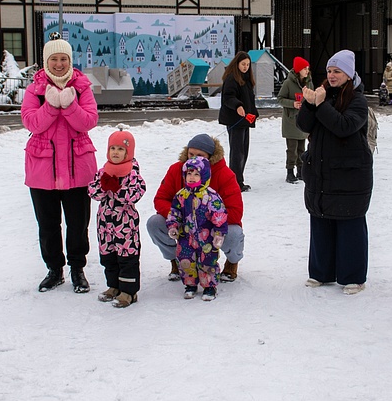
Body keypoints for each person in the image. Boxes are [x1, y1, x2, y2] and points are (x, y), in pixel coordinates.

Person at [21, 36, 100, 293]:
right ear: (46, 61)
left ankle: (77, 269)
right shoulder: (35, 90)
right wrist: (52, 105)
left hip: (78, 169)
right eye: (53, 59)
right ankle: (54, 269)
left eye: (63, 59)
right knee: (48, 224)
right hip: (44, 170)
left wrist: (69, 104)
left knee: (78, 224)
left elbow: (87, 121)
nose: (58, 64)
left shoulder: (82, 87)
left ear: (70, 61)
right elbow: (32, 122)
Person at [297, 49, 374, 294]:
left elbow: (344, 126)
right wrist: (309, 106)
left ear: (349, 74)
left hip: (349, 174)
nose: (331, 75)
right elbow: (302, 126)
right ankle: (321, 272)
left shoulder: (358, 100)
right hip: (321, 171)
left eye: (337, 71)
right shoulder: (323, 96)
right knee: (321, 221)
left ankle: (353, 276)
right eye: (329, 71)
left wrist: (319, 106)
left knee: (349, 224)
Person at [148, 133, 245, 281]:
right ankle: (176, 261)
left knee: (234, 233)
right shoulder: (176, 170)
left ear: (210, 157)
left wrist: (205, 220)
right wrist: (178, 216)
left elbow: (235, 212)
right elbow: (161, 198)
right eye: (191, 154)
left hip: (212, 227)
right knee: (154, 223)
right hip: (183, 225)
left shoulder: (225, 175)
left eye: (199, 155)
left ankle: (232, 262)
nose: (193, 158)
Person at [88, 128, 145, 308]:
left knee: (127, 256)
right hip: (105, 223)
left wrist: (118, 190)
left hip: (125, 223)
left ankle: (128, 291)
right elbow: (93, 191)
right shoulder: (104, 170)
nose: (116, 153)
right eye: (112, 148)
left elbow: (137, 193)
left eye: (120, 149)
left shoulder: (132, 172)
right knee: (108, 255)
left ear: (129, 152)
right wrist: (103, 186)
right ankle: (113, 285)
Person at [167, 156, 229, 301]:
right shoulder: (181, 195)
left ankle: (209, 286)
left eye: (196, 174)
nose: (192, 177)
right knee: (185, 260)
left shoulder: (211, 196)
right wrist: (173, 226)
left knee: (207, 261)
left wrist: (219, 234)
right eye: (189, 173)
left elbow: (219, 216)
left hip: (207, 238)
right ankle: (190, 285)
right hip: (186, 237)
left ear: (204, 175)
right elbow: (174, 213)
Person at [219, 50, 258, 191]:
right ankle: (235, 182)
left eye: (247, 64)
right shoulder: (231, 78)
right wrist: (238, 106)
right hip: (235, 120)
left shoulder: (246, 78)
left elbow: (249, 100)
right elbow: (228, 97)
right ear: (237, 64)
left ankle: (239, 179)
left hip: (244, 120)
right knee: (237, 152)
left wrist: (254, 113)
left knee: (244, 151)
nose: (245, 67)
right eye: (243, 64)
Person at [278, 57, 312, 183]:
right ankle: (290, 171)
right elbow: (280, 98)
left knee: (302, 148)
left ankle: (301, 170)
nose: (307, 71)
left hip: (303, 119)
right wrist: (292, 104)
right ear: (298, 70)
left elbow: (312, 96)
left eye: (308, 68)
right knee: (292, 149)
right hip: (291, 121)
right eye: (304, 68)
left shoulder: (309, 82)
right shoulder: (288, 83)